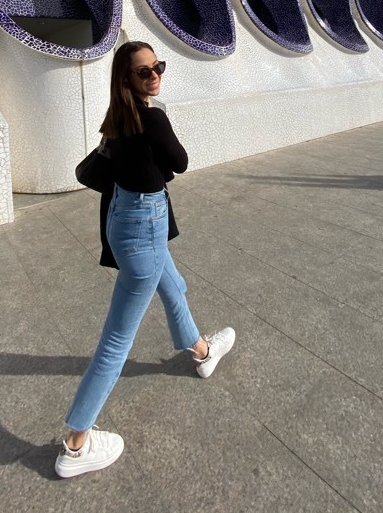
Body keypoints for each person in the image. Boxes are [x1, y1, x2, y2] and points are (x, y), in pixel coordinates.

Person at [55, 41, 235, 479]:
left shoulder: (117, 117)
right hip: (143, 226)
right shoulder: (151, 116)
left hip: (123, 219)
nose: (154, 75)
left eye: (158, 67)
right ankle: (76, 444)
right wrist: (158, 124)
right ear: (126, 79)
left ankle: (202, 350)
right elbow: (181, 162)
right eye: (144, 71)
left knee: (173, 285)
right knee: (116, 342)